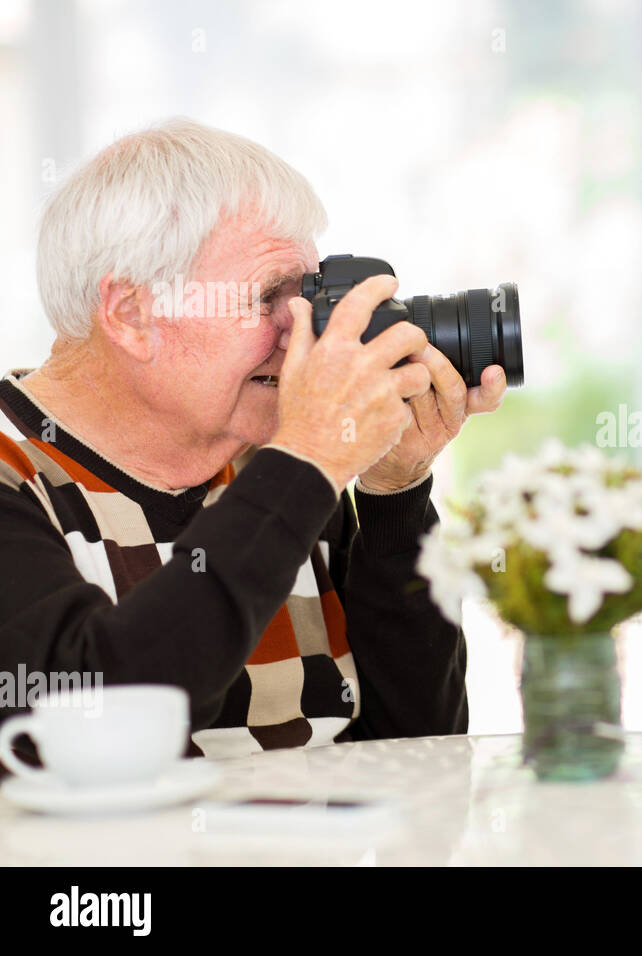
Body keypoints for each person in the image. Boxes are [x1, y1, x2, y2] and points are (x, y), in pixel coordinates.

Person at [0, 118, 506, 760]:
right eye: (271, 298)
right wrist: (309, 460)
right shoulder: (17, 468)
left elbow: (418, 749)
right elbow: (94, 719)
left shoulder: (276, 465)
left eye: (311, 298)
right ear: (131, 315)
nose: (306, 335)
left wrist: (392, 493)